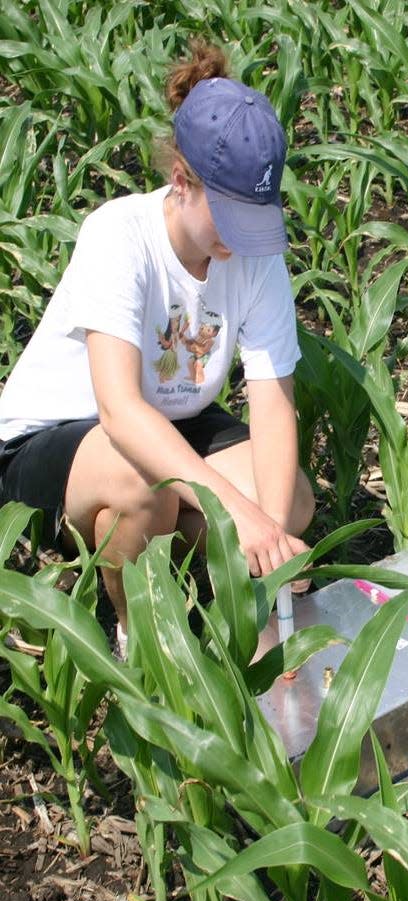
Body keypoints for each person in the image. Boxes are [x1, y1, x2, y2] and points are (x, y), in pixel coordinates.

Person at [0, 40, 315, 654]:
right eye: (230, 218)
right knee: (145, 485)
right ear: (181, 182)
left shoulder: (255, 259)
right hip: (58, 440)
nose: (243, 240)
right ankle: (137, 633)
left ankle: (167, 552)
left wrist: (268, 547)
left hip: (173, 420)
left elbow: (273, 402)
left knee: (292, 499)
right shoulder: (120, 237)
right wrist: (236, 515)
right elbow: (120, 412)